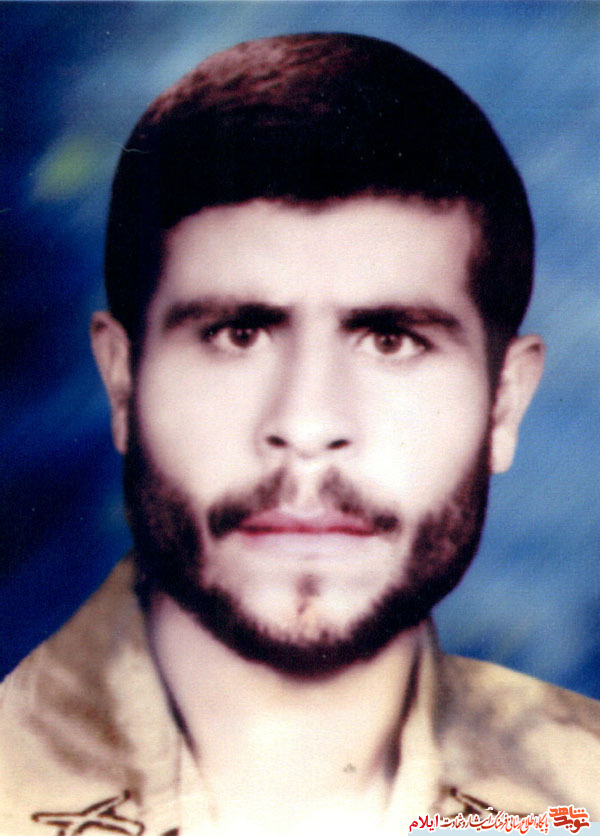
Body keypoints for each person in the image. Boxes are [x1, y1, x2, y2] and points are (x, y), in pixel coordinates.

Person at [1, 32, 598, 836]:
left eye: (391, 339)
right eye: (238, 334)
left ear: (503, 403)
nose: (307, 424)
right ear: (122, 382)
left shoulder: (580, 803)